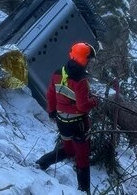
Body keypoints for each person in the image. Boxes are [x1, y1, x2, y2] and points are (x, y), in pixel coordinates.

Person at [35, 42, 99, 193]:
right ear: (85, 59)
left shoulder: (59, 72)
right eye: (89, 59)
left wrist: (51, 111)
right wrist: (95, 101)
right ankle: (84, 190)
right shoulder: (81, 80)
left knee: (69, 150)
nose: (89, 61)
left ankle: (42, 162)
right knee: (82, 158)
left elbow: (51, 93)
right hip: (78, 123)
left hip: (61, 121)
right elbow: (83, 106)